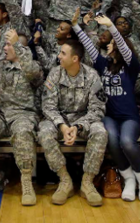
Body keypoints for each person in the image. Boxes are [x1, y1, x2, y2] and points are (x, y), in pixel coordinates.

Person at [73, 11, 140, 202]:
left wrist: (111, 27)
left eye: (111, 44)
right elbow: (88, 46)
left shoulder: (131, 67)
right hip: (109, 116)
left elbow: (124, 49)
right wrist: (76, 26)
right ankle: (128, 179)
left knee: (127, 142)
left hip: (129, 117)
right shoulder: (103, 65)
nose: (108, 45)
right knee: (113, 141)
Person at [0, 29, 43, 208]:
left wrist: (18, 44)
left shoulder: (33, 66)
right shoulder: (0, 65)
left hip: (23, 114)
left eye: (8, 44)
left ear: (21, 48)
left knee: (23, 131)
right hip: (1, 114)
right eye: (5, 44)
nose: (5, 48)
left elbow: (33, 73)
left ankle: (26, 183)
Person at [38, 30, 107, 207]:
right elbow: (48, 106)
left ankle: (87, 182)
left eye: (63, 53)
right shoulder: (55, 73)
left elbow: (98, 109)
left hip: (83, 121)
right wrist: (62, 126)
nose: (59, 56)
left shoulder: (92, 76)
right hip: (58, 120)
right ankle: (64, 180)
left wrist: (78, 127)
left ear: (75, 59)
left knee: (100, 132)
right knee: (44, 132)